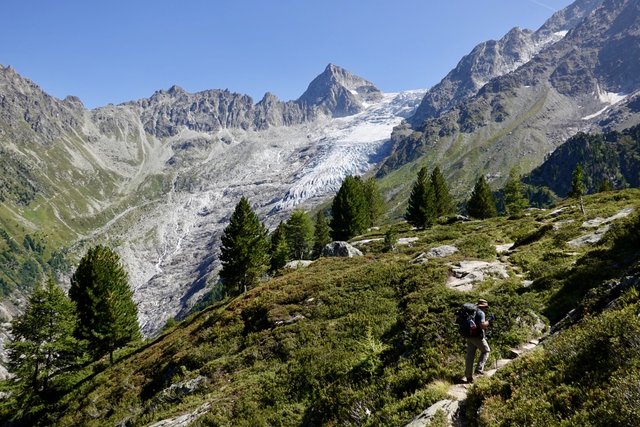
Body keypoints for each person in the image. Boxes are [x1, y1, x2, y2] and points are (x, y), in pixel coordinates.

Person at [464, 298, 494, 383]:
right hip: (477, 336)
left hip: (469, 336)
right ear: (483, 307)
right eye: (486, 307)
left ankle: (469, 377)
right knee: (486, 350)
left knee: (470, 356)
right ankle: (479, 369)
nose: (486, 309)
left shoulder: (472, 312)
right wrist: (490, 321)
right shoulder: (481, 313)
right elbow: (482, 325)